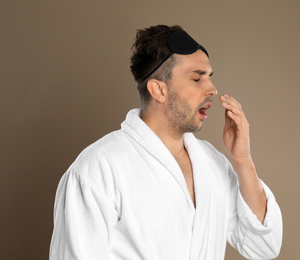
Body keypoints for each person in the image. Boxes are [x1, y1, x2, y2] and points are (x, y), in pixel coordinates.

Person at [49, 25, 283, 260]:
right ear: (158, 90)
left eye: (209, 77)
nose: (211, 89)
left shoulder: (212, 164)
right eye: (196, 78)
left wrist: (242, 160)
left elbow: (263, 246)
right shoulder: (97, 169)